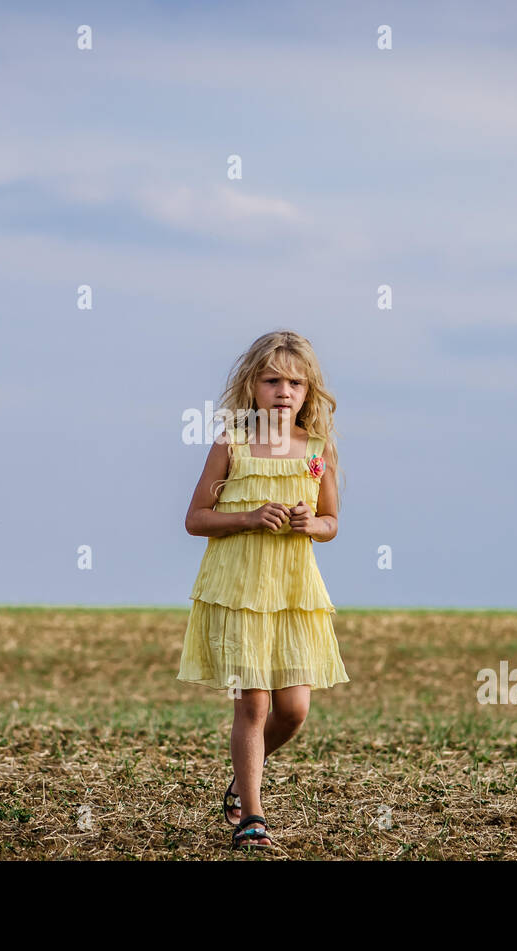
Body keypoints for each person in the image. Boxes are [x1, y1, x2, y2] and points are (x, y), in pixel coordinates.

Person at [178, 330, 349, 851]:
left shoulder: (317, 450)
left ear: (308, 391)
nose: (283, 391)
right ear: (252, 384)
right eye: (272, 379)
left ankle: (241, 779)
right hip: (238, 590)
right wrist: (249, 517)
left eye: (295, 382)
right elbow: (194, 519)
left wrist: (307, 524)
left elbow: (331, 522)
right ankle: (251, 816)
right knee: (251, 706)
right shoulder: (230, 443)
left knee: (294, 709)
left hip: (294, 593)